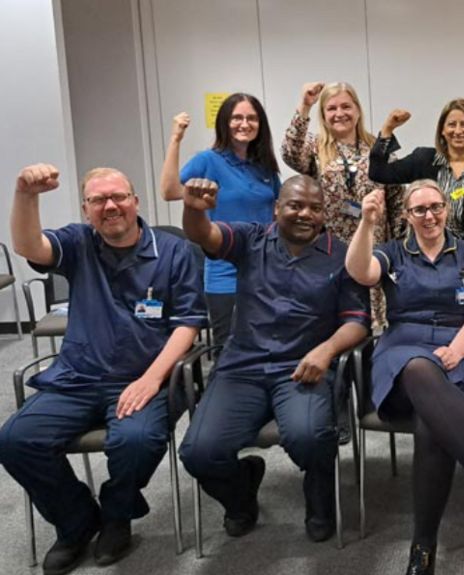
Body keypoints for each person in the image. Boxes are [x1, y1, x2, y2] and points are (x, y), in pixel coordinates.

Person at [0, 164, 206, 574]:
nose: (110, 206)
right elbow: (29, 246)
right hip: (77, 377)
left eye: (118, 197)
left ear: (135, 201)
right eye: (98, 200)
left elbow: (189, 323)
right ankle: (76, 522)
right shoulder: (78, 243)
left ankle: (116, 516)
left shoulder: (173, 251)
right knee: (16, 439)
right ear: (86, 209)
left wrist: (151, 379)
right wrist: (25, 194)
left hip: (143, 377)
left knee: (135, 441)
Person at [346, 181, 464, 574]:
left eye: (436, 207)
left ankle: (423, 546)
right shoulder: (393, 251)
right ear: (406, 216)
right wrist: (366, 224)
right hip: (402, 351)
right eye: (419, 210)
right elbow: (361, 272)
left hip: (458, 349)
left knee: (432, 426)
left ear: (446, 210)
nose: (429, 215)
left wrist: (460, 349)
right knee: (418, 368)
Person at [178, 175, 370, 542]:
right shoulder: (251, 239)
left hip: (302, 369)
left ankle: (320, 501)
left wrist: (326, 350)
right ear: (277, 208)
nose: (305, 214)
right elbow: (203, 235)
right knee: (200, 453)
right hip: (242, 368)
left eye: (315, 208)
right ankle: (241, 498)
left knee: (310, 437)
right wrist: (194, 209)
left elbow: (357, 323)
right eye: (295, 205)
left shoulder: (343, 254)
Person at [159, 93, 281, 348]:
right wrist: (175, 139)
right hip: (225, 275)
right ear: (225, 122)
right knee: (230, 350)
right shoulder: (209, 160)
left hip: (265, 273)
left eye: (251, 118)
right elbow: (169, 191)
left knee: (269, 345)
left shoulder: (265, 166)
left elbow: (278, 212)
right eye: (237, 117)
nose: (244, 124)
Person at [281, 82, 403, 326]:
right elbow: (290, 152)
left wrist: (400, 250)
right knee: (338, 321)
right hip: (331, 250)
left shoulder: (378, 148)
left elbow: (397, 202)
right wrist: (305, 105)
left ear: (357, 110)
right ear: (323, 115)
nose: (339, 114)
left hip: (374, 249)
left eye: (346, 106)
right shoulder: (315, 148)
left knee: (374, 322)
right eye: (331, 108)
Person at [368, 98, 464, 245]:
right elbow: (378, 172)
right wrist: (388, 129)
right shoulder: (423, 159)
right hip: (423, 252)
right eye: (451, 124)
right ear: (442, 131)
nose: (458, 131)